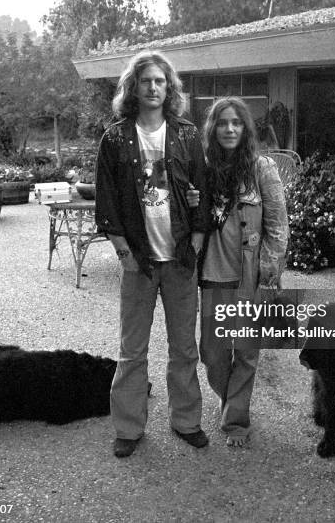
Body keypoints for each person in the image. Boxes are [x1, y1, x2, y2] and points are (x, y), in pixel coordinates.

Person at [95, 50, 210, 458]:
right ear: (134, 87)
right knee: (132, 350)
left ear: (169, 87)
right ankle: (128, 426)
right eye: (146, 81)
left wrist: (196, 240)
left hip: (179, 259)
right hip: (139, 262)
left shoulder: (187, 135)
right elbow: (106, 199)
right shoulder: (115, 137)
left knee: (184, 348)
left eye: (160, 81)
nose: (154, 87)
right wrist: (123, 251)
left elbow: (203, 190)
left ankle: (186, 420)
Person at [192, 97, 289, 447]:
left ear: (245, 128)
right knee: (213, 353)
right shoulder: (201, 168)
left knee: (247, 350)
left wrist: (271, 272)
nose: (230, 129)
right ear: (213, 128)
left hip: (250, 272)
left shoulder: (262, 168)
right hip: (213, 272)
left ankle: (235, 421)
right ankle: (228, 395)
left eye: (236, 122)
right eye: (222, 123)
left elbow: (278, 225)